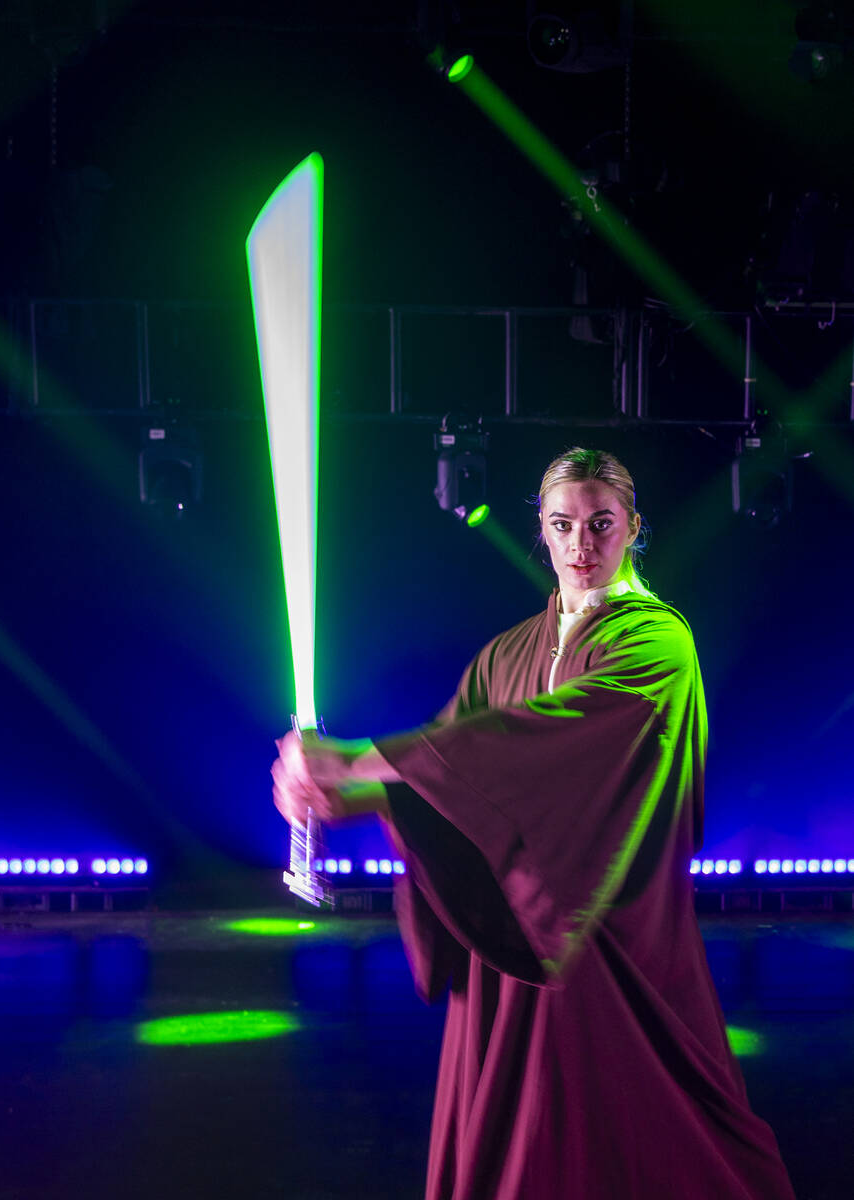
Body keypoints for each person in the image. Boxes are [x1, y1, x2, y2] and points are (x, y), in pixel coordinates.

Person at [272, 447, 795, 1200]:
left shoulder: (657, 642)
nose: (582, 543)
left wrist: (355, 762)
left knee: (641, 1138)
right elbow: (444, 777)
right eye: (563, 524)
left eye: (601, 523)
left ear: (633, 527)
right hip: (510, 936)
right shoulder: (506, 653)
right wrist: (337, 794)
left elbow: (538, 746)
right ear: (542, 532)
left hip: (607, 940)